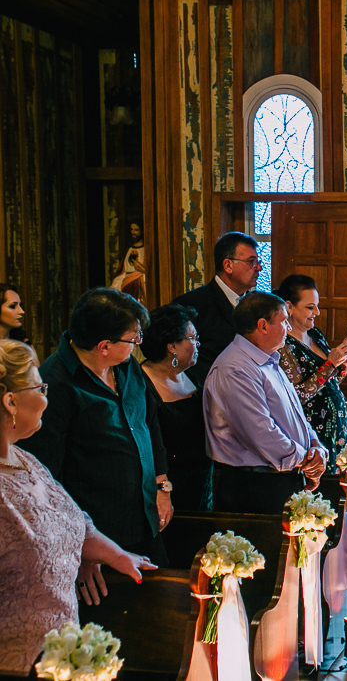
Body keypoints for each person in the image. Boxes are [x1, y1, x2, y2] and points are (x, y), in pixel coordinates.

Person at [0, 340, 156, 674]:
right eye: (40, 387)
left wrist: (114, 555)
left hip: (61, 651)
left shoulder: (25, 460)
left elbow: (75, 519)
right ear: (10, 402)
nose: (47, 397)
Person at [21, 288, 172, 569]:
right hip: (99, 534)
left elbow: (150, 423)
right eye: (133, 338)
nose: (139, 343)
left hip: (144, 519)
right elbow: (47, 478)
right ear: (104, 346)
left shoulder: (126, 366)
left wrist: (163, 486)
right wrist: (82, 548)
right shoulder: (56, 383)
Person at [204, 291, 327, 514]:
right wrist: (306, 459)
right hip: (253, 487)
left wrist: (315, 446)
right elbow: (261, 432)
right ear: (263, 326)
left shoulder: (269, 359)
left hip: (282, 477)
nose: (289, 329)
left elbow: (296, 414)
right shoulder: (235, 369)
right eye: (284, 322)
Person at [274, 275, 347, 470]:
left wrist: (342, 364)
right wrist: (329, 364)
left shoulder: (315, 335)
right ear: (289, 307)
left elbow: (330, 383)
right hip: (314, 433)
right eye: (310, 307)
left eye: (316, 306)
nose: (316, 312)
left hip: (336, 429)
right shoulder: (284, 345)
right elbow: (297, 396)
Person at [140, 304, 212, 511]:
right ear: (172, 345)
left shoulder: (192, 375)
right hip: (165, 484)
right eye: (192, 338)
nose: (198, 344)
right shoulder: (141, 383)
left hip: (201, 479)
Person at [173, 232, 263, 383]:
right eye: (251, 262)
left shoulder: (256, 304)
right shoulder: (192, 303)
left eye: (258, 262)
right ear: (228, 265)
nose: (258, 268)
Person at [111, 221, 146, 303]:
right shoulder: (128, 250)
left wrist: (142, 270)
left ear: (142, 231)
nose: (133, 232)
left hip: (139, 285)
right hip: (127, 285)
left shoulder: (146, 250)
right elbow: (123, 271)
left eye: (136, 230)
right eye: (132, 229)